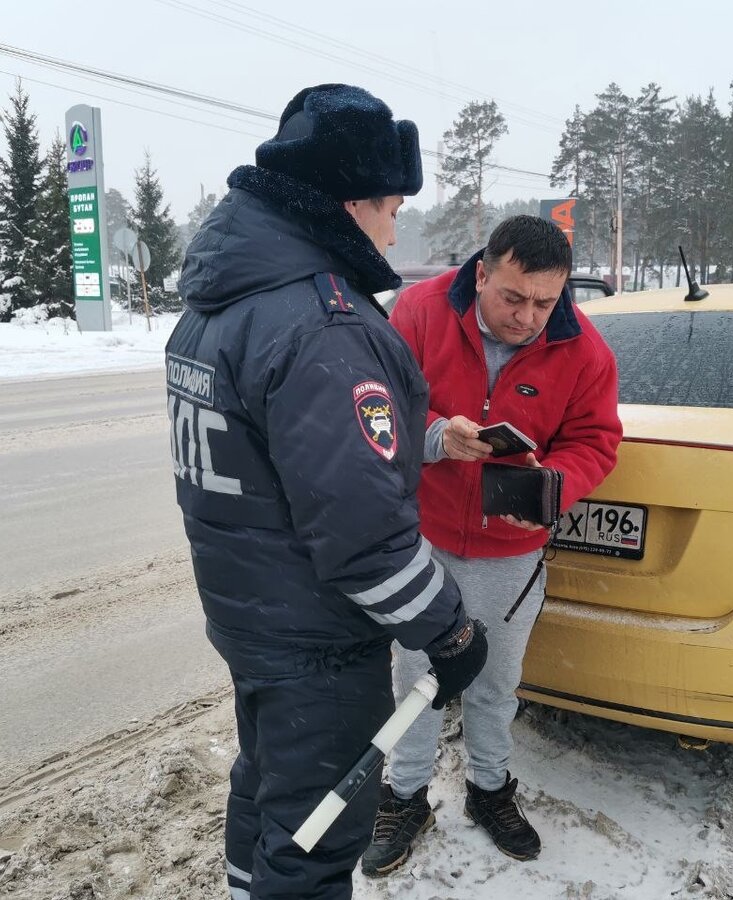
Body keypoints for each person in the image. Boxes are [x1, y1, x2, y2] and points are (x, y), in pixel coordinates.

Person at [165, 83, 488, 900]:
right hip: (317, 646)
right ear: (349, 204)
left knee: (268, 791)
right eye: (389, 208)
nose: (393, 228)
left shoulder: (220, 306)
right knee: (314, 839)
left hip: (250, 621)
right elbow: (363, 533)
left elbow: (279, 461)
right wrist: (449, 634)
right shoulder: (323, 325)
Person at [361, 216, 622, 875]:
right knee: (415, 679)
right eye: (513, 297)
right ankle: (405, 793)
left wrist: (554, 484)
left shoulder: (586, 350)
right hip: (422, 539)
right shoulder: (419, 311)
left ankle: (489, 788)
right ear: (481, 272)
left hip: (511, 552)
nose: (529, 317)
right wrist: (434, 438)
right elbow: (374, 404)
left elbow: (597, 440)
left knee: (496, 682)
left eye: (545, 302)